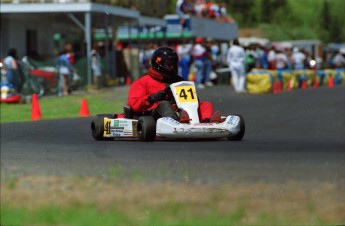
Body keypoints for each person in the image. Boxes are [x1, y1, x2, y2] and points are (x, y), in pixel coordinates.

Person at [128, 46, 221, 123]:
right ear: (158, 64)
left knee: (206, 105)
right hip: (153, 116)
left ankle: (207, 123)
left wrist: (193, 99)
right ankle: (176, 123)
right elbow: (134, 104)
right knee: (164, 104)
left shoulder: (178, 80)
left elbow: (191, 100)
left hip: (179, 111)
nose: (173, 67)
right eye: (169, 65)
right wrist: (152, 98)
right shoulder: (142, 82)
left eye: (174, 65)